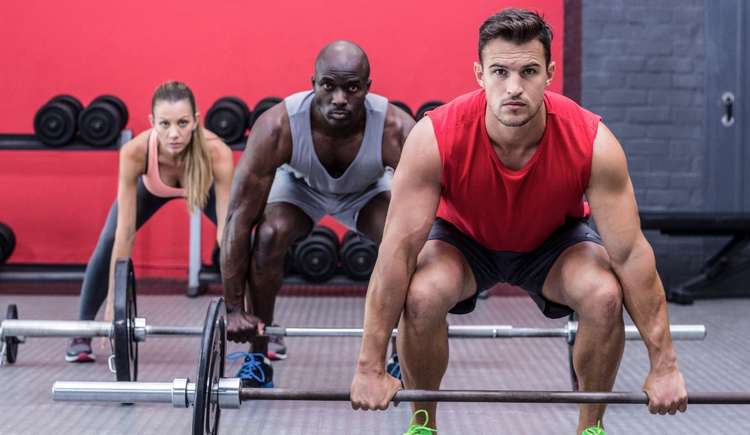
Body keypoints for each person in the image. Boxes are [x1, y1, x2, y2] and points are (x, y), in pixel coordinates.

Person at [349, 9, 688, 435]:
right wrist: (370, 366)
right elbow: (396, 253)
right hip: (464, 241)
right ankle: (422, 424)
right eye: (499, 72)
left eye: (528, 71)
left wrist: (665, 366)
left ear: (549, 73)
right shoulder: (435, 137)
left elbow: (631, 254)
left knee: (604, 296)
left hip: (553, 244)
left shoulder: (593, 142)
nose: (513, 88)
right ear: (478, 74)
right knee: (420, 295)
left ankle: (590, 428)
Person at [220, 40, 415, 388]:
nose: (339, 98)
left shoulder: (396, 130)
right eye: (329, 86)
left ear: (367, 89)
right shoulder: (277, 127)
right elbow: (238, 218)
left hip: (366, 190)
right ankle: (258, 355)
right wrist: (233, 309)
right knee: (268, 236)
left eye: (352, 88)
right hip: (300, 188)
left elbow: (427, 216)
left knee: (400, 237)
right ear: (313, 84)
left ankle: (402, 355)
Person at [66, 81, 234, 362]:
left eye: (182, 123)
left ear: (196, 120)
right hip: (152, 188)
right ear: (152, 122)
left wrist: (238, 305)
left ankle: (263, 327)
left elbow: (226, 234)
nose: (174, 133)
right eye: (164, 124)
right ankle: (83, 331)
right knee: (109, 240)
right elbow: (126, 232)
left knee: (242, 241)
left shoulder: (217, 152)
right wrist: (114, 305)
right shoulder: (136, 151)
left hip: (202, 187)